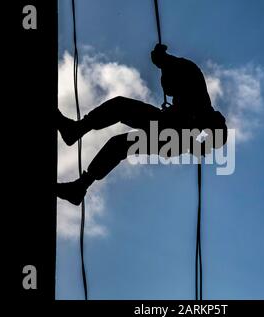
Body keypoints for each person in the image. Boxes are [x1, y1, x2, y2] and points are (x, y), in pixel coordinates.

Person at [56, 44, 227, 205]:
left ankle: (76, 141)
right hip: (170, 128)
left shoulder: (194, 86)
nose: (169, 92)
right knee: (120, 133)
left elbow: (219, 131)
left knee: (120, 120)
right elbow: (168, 88)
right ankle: (80, 181)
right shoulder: (183, 75)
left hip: (173, 134)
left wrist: (201, 144)